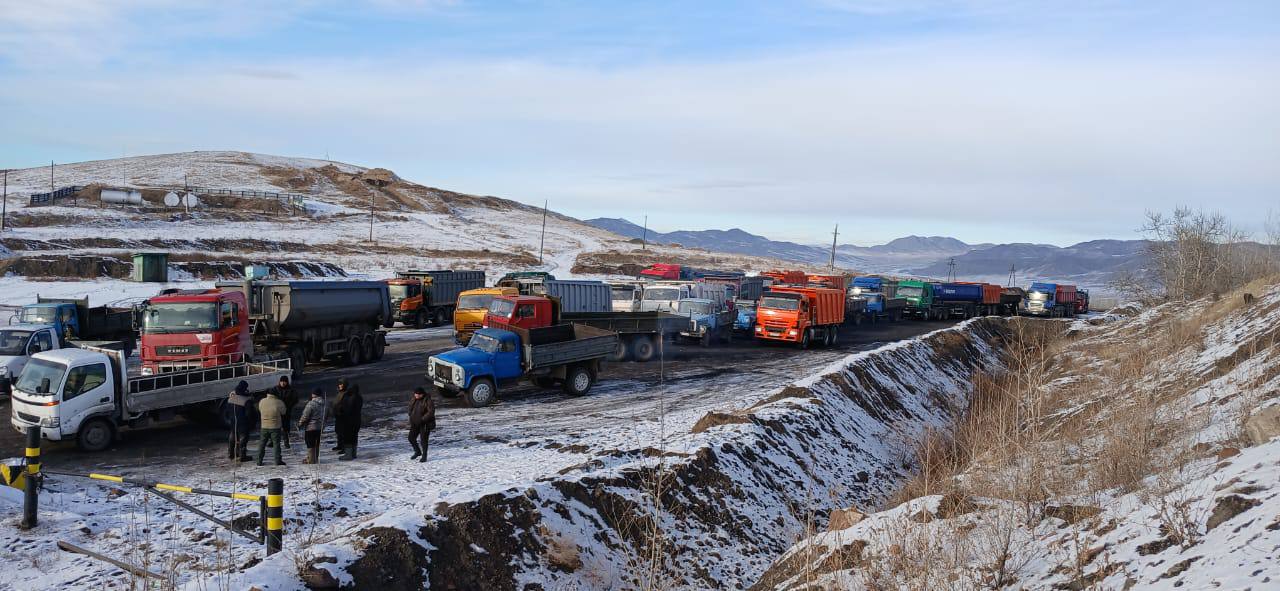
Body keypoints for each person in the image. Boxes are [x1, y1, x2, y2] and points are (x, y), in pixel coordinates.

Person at [332, 378, 364, 461]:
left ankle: (348, 455)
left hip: (349, 421)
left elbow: (346, 409)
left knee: (348, 438)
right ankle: (353, 454)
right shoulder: (359, 398)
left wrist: (340, 410)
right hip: (357, 420)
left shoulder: (350, 398)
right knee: (354, 437)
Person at [256, 388, 287, 466]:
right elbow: (284, 412)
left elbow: (259, 409)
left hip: (264, 426)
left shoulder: (262, 401)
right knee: (276, 444)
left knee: (262, 444)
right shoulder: (279, 402)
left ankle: (259, 461)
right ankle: (277, 461)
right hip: (275, 427)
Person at [296, 387, 326, 464]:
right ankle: (315, 458)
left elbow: (305, 416)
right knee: (317, 443)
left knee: (310, 444)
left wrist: (300, 423)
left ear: (314, 394)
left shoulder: (311, 404)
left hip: (311, 427)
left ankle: (311, 460)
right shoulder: (325, 403)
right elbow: (327, 415)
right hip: (320, 427)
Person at [226, 381, 253, 462]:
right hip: (242, 422)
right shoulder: (245, 400)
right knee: (244, 438)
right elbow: (249, 413)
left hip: (233, 421)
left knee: (232, 436)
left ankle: (231, 454)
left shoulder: (231, 397)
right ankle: (242, 456)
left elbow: (228, 410)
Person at [407, 387, 435, 462]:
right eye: (415, 394)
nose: (415, 395)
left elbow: (431, 412)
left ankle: (424, 456)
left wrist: (422, 419)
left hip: (424, 424)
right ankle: (418, 451)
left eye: (417, 394)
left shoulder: (428, 400)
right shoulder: (414, 398)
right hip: (415, 422)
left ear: (422, 394)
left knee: (424, 440)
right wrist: (410, 414)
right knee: (411, 438)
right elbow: (410, 407)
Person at [271, 376, 299, 450]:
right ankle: (272, 441)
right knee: (274, 426)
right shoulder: (275, 389)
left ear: (287, 382)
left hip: (286, 411)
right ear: (279, 382)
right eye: (281, 381)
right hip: (276, 411)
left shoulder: (290, 390)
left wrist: (289, 406)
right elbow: (270, 397)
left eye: (284, 381)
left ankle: (286, 442)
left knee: (285, 427)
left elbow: (295, 399)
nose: (283, 383)